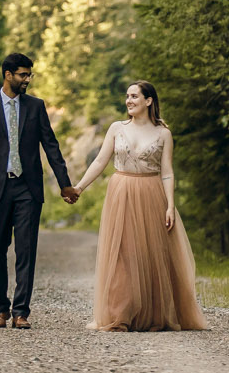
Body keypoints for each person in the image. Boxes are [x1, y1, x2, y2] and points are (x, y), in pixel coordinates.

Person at [72, 81, 206, 332]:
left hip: (151, 192)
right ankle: (120, 314)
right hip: (121, 191)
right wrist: (79, 187)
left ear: (148, 101)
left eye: (135, 96)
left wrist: (169, 205)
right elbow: (101, 160)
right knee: (122, 253)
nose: (129, 100)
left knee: (151, 252)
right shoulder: (116, 128)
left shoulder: (163, 133)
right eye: (127, 96)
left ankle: (154, 315)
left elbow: (167, 171)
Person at [0, 52, 78, 328]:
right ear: (7, 74)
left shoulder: (36, 106)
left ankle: (21, 312)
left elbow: (50, 145)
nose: (27, 79)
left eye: (29, 75)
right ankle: (0, 308)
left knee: (26, 249)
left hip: (28, 188)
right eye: (22, 75)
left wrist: (65, 183)